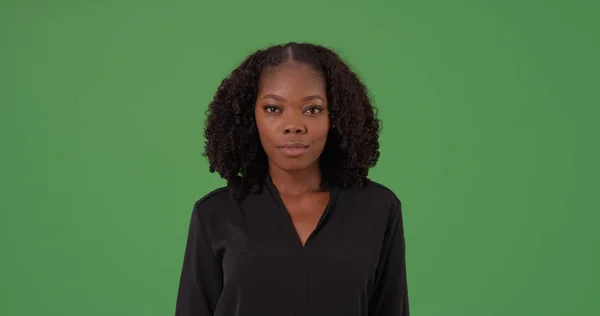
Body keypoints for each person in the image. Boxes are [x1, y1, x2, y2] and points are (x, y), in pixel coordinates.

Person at [175, 42, 409, 316]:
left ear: (336, 117)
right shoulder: (215, 214)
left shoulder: (378, 209)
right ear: (251, 118)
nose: (293, 125)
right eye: (274, 109)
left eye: (312, 109)